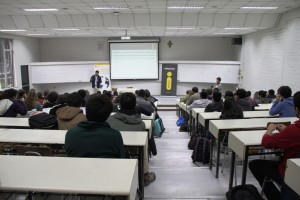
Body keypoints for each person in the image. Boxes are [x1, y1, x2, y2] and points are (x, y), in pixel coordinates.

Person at [249, 91, 300, 200]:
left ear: (296, 109)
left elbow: (267, 143)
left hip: (289, 172)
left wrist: (269, 131)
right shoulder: (292, 130)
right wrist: (287, 131)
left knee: (254, 165)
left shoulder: (294, 130)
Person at [106, 92, 156, 186]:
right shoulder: (140, 125)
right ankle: (145, 174)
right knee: (143, 144)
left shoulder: (109, 120)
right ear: (134, 104)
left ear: (119, 104)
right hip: (131, 156)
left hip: (111, 157)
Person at [65, 94, 125, 158]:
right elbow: (121, 158)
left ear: (86, 111)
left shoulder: (71, 134)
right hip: (106, 167)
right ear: (108, 115)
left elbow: (69, 155)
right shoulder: (115, 136)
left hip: (77, 167)